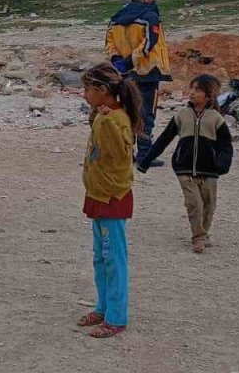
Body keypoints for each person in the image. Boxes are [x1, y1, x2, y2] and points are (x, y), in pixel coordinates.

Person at [76, 63, 143, 339]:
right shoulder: (108, 117)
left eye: (87, 89)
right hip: (100, 193)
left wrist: (101, 119)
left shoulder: (113, 120)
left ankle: (117, 316)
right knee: (101, 257)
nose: (84, 95)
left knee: (113, 257)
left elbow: (119, 155)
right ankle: (103, 307)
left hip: (111, 196)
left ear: (102, 91)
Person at [138, 74, 234, 254]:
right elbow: (163, 140)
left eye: (197, 90)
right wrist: (146, 162)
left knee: (209, 205)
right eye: (192, 89)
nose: (192, 93)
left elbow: (226, 146)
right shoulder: (181, 115)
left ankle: (204, 233)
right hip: (184, 168)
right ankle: (197, 237)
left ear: (208, 96)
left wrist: (222, 165)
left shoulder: (216, 118)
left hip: (210, 170)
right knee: (194, 203)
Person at [105, 0, 172, 167]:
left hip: (125, 73)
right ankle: (144, 153)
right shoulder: (150, 16)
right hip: (147, 70)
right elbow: (150, 42)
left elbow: (108, 41)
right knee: (146, 112)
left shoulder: (116, 18)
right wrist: (132, 60)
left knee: (128, 111)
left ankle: (126, 151)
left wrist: (117, 59)